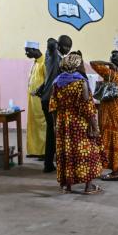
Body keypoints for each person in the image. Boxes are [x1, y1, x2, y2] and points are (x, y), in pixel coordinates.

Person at [49, 53, 105, 194]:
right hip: (79, 123)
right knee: (86, 153)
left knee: (66, 152)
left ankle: (66, 186)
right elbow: (87, 107)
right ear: (75, 65)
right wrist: (94, 125)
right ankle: (88, 186)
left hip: (63, 123)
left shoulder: (57, 82)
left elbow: (53, 106)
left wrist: (55, 124)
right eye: (80, 63)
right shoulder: (80, 82)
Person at [90, 54, 118, 181]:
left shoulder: (111, 74)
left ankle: (114, 173)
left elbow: (93, 62)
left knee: (113, 143)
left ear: (114, 63)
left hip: (112, 114)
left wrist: (108, 64)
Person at [40, 35, 72, 173]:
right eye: (66, 47)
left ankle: (50, 162)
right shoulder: (53, 55)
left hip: (51, 98)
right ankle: (48, 164)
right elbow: (50, 41)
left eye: (69, 48)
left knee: (53, 131)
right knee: (52, 132)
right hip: (50, 99)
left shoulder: (59, 58)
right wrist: (55, 44)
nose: (68, 50)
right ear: (60, 45)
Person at [24, 41, 46, 158]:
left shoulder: (44, 62)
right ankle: (35, 150)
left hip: (40, 99)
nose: (26, 53)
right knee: (33, 125)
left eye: (28, 50)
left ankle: (43, 152)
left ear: (35, 50)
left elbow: (47, 82)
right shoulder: (35, 63)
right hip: (32, 100)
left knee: (41, 125)